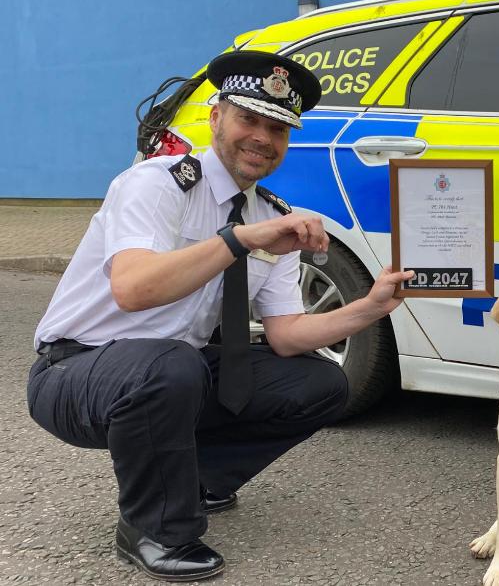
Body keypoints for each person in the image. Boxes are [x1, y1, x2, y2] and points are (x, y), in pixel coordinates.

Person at [28, 50, 413, 582]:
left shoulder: (271, 217)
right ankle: (154, 528)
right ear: (215, 118)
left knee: (321, 382)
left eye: (278, 128)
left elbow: (285, 336)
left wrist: (369, 307)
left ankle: (198, 479)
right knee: (170, 364)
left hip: (170, 372)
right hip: (75, 371)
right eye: (249, 119)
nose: (262, 137)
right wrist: (236, 239)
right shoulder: (156, 184)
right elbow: (134, 289)